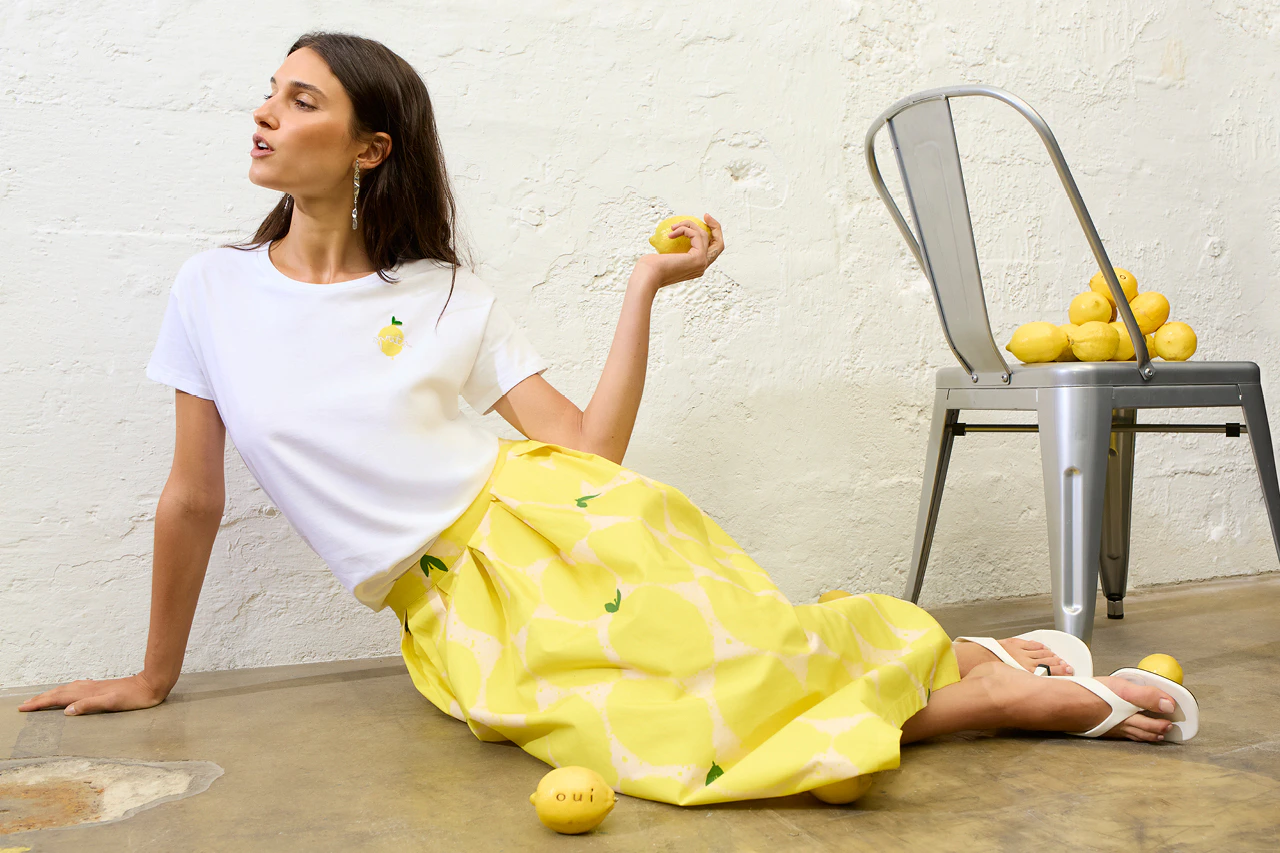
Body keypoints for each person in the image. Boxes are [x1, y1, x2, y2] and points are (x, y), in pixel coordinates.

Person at [17, 32, 1185, 807]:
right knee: (654, 744)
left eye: (300, 98)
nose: (265, 114)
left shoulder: (444, 296)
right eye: (269, 95)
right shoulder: (210, 291)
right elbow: (192, 495)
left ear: (369, 149)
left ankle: (994, 686)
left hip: (557, 523)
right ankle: (986, 662)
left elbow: (582, 448)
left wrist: (639, 289)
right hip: (446, 608)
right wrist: (153, 674)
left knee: (740, 672)